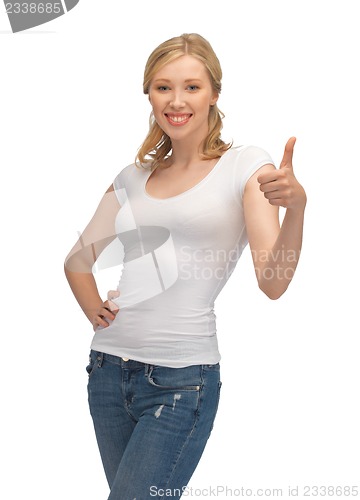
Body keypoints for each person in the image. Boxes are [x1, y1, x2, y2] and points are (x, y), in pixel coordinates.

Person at [64, 33, 306, 499]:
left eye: (192, 87)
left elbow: (273, 284)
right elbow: (78, 261)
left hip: (179, 383)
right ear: (149, 94)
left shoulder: (245, 166)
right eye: (163, 87)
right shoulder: (133, 176)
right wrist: (95, 309)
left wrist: (295, 209)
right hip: (108, 374)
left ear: (215, 93)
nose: (176, 101)